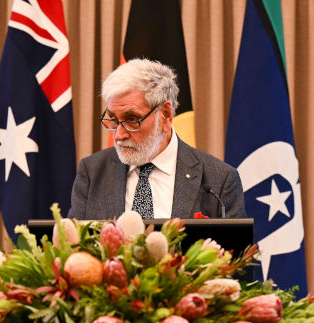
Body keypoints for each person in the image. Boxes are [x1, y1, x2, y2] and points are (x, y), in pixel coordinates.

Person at [68, 58, 246, 220]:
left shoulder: (219, 180)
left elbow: (240, 255)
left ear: (166, 114)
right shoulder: (92, 172)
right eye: (114, 120)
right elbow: (72, 250)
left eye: (132, 119)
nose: (119, 135)